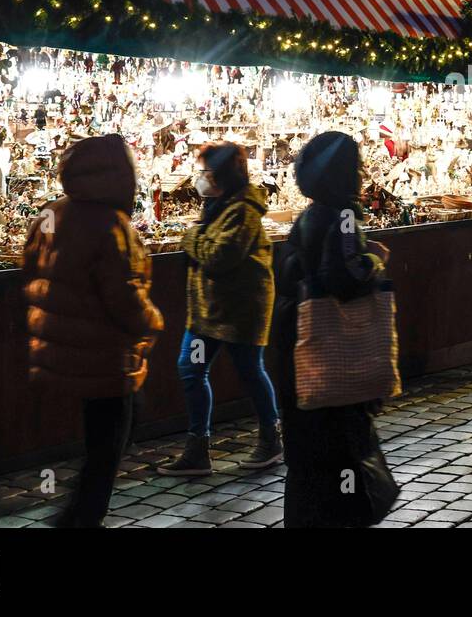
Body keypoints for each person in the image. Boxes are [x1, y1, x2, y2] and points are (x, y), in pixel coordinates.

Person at [23, 134, 164, 527]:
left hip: (59, 351)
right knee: (108, 445)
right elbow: (125, 299)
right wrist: (152, 323)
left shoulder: (52, 213)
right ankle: (80, 521)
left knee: (103, 437)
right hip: (105, 354)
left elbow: (30, 270)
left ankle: (75, 515)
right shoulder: (113, 226)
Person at [277, 131, 395, 527]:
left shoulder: (311, 216)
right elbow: (343, 278)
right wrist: (375, 261)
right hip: (330, 355)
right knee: (338, 459)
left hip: (297, 349)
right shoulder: (342, 217)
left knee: (307, 464)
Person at [162, 142, 279, 474]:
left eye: (206, 172)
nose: (200, 178)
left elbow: (219, 255)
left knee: (249, 371)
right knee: (192, 368)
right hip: (210, 313)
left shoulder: (242, 210)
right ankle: (198, 448)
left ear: (222, 175)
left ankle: (271, 440)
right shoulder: (219, 206)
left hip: (239, 311)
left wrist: (191, 237)